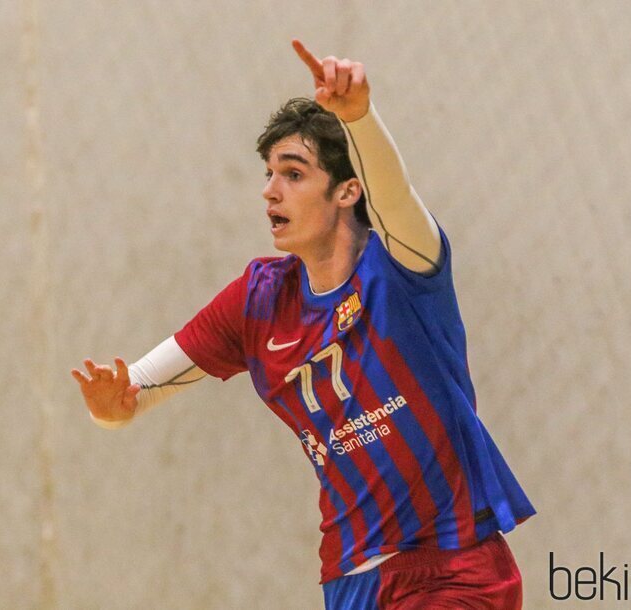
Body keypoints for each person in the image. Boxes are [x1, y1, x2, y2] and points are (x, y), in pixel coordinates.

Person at [72, 39, 535, 609]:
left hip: (452, 568)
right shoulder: (260, 301)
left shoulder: (404, 264)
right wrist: (111, 409)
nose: (270, 190)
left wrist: (358, 117)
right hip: (349, 579)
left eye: (293, 173)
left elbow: (394, 194)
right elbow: (138, 388)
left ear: (347, 190)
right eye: (269, 174)